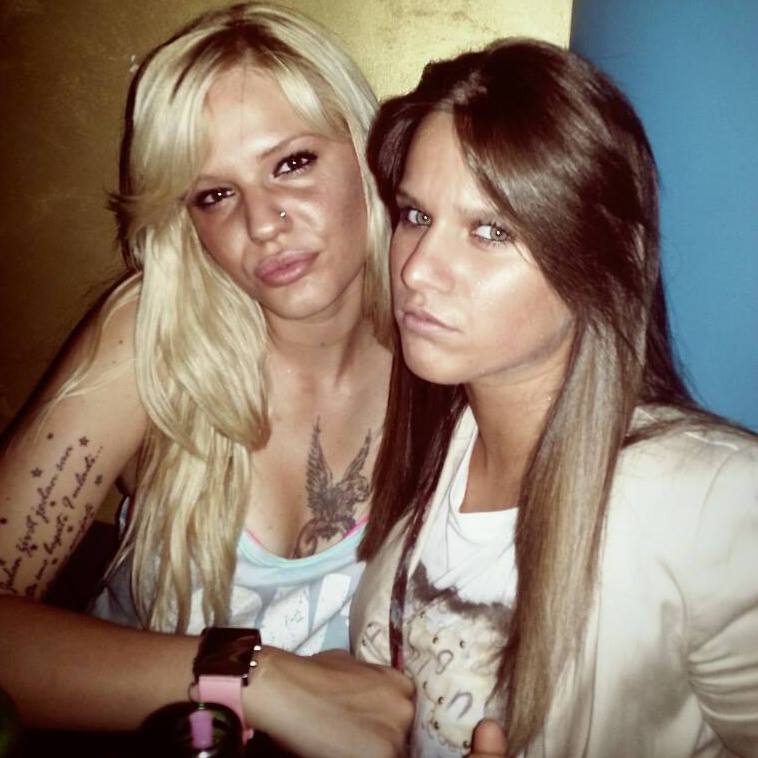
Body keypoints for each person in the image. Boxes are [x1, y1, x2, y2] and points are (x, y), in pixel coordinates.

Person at [0, 3, 412, 755]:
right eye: (214, 194)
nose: (262, 222)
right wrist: (250, 679)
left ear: (366, 152)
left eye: (291, 163)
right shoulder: (153, 338)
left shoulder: (442, 345)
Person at [351, 38, 758, 758]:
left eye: (490, 231)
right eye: (415, 216)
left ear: (599, 259)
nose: (417, 270)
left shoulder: (716, 504)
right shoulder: (429, 448)